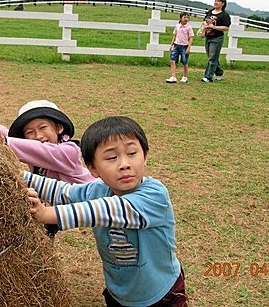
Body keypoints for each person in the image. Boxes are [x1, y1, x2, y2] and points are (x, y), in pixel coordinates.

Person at [24, 116, 188, 307]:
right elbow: (64, 192)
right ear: (93, 168)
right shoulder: (97, 189)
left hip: (161, 294)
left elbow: (103, 210)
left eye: (132, 153)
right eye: (112, 157)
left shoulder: (154, 196)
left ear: (145, 156)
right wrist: (18, 175)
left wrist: (46, 214)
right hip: (119, 291)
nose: (124, 164)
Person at [0, 99, 95, 237]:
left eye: (43, 128)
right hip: (55, 207)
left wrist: (2, 141)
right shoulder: (35, 153)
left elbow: (37, 149)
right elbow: (12, 136)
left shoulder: (69, 152)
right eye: (30, 132)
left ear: (59, 128)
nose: (38, 136)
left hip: (89, 200)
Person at [201, 0, 231, 83]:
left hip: (217, 38)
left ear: (223, 3)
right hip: (208, 36)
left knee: (212, 58)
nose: (216, 2)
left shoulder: (224, 15)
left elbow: (226, 28)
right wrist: (205, 25)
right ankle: (219, 72)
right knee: (211, 57)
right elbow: (204, 20)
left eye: (218, 1)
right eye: (215, 1)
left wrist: (214, 27)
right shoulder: (210, 12)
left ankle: (208, 76)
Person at [166, 12, 194, 84]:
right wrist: (171, 45)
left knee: (184, 61)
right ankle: (173, 76)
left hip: (184, 46)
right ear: (180, 18)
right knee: (172, 60)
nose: (186, 19)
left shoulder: (189, 27)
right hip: (176, 45)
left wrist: (189, 47)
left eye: (187, 17)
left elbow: (191, 38)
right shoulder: (177, 26)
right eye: (184, 17)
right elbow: (175, 36)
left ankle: (185, 76)